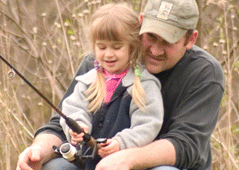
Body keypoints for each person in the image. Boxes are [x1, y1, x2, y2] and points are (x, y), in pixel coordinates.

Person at [16, 0, 225, 170]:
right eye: (151, 36)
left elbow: (186, 145)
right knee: (54, 167)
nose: (155, 50)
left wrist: (126, 158)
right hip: (92, 162)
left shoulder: (205, 73)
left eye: (168, 41)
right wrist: (37, 152)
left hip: (160, 165)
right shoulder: (101, 63)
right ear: (141, 24)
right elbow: (60, 124)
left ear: (191, 39)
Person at [59, 3, 163, 170]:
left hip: (126, 164)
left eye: (116, 47)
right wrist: (78, 126)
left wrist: (121, 143)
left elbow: (148, 125)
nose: (108, 54)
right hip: (85, 162)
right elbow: (73, 108)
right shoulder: (87, 81)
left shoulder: (144, 85)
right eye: (101, 47)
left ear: (132, 46)